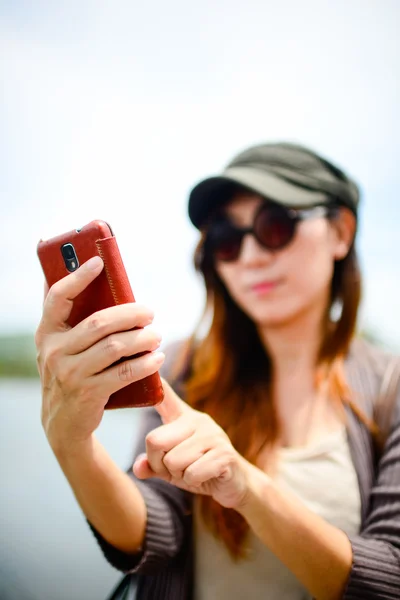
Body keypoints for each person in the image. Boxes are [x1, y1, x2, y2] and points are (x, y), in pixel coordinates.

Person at [35, 142, 400, 600]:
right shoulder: (185, 366)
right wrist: (71, 445)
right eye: (227, 239)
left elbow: (391, 576)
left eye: (275, 226)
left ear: (341, 232)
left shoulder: (391, 387)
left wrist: (246, 485)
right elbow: (154, 534)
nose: (250, 257)